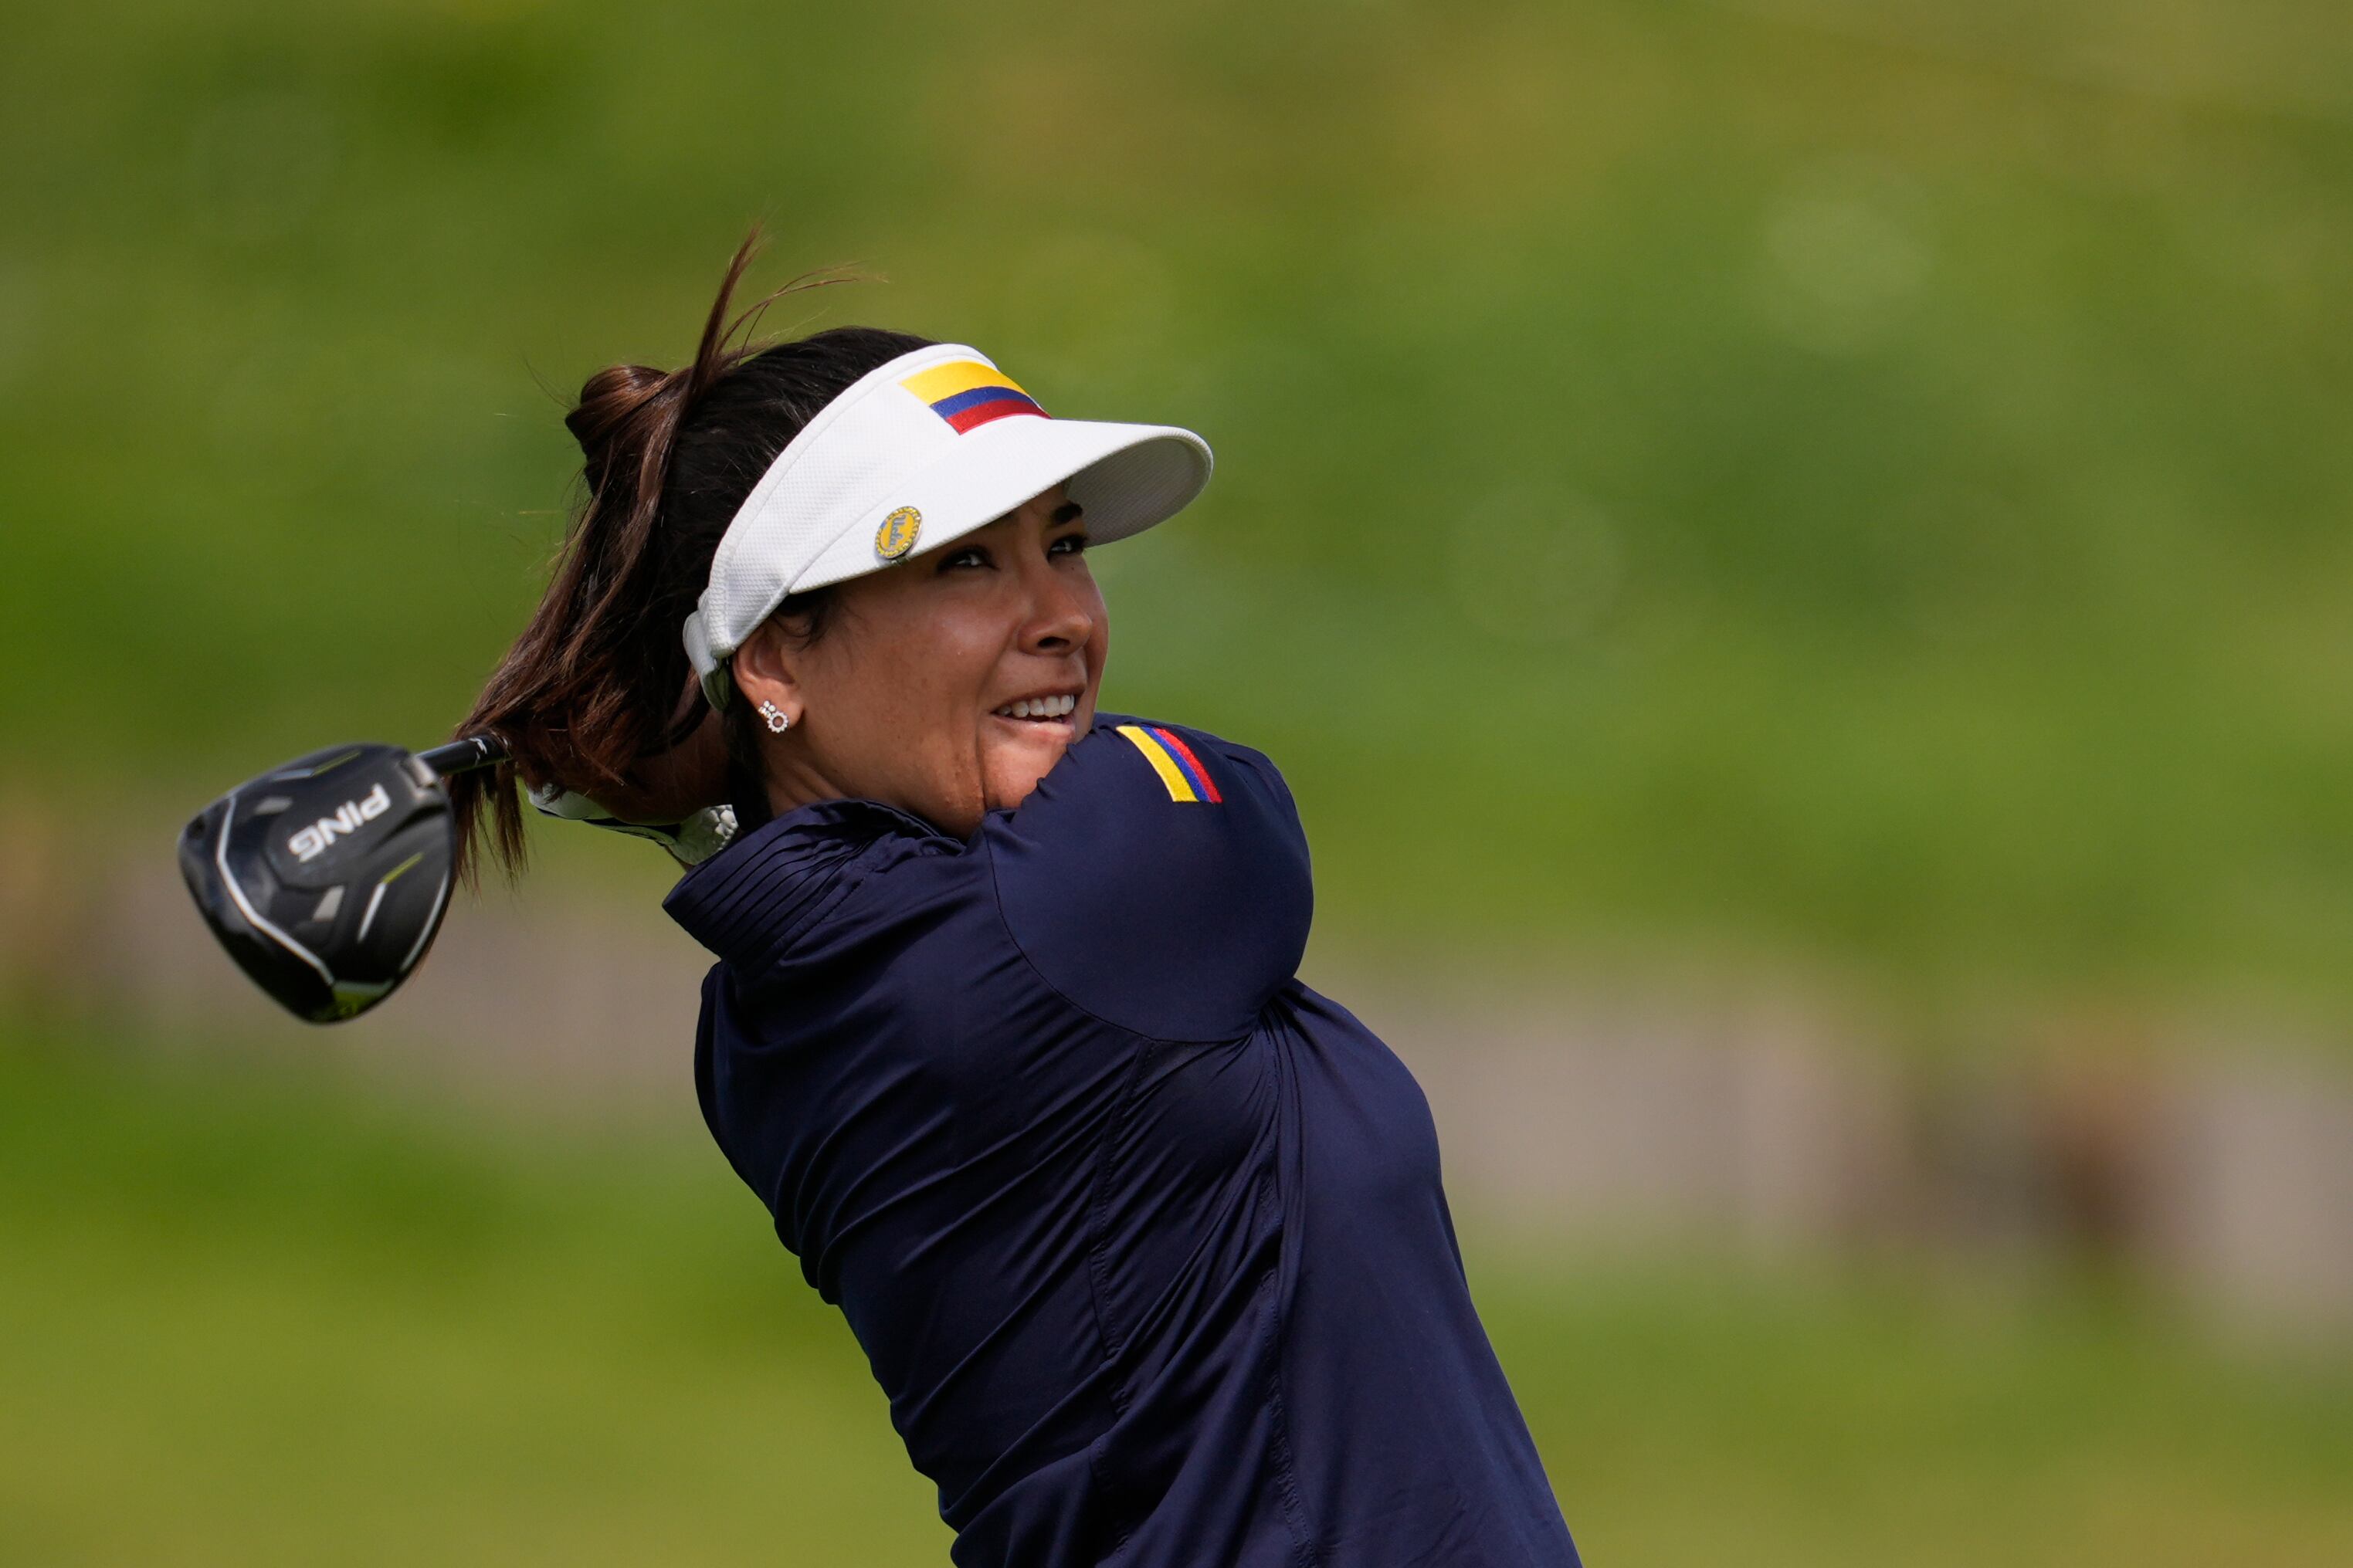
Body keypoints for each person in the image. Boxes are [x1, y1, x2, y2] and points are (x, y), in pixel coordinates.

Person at [450, 236, 1582, 1568]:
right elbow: (1244, 806)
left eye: (1064, 545)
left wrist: (679, 755)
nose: (1065, 618)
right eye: (967, 567)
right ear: (773, 658)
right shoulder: (1090, 909)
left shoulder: (752, 1019)